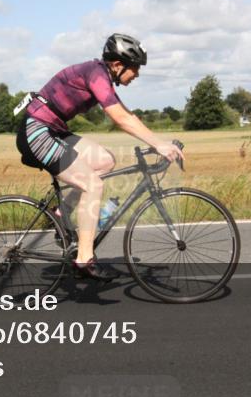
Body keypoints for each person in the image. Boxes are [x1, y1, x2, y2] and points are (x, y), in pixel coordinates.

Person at [15, 33, 185, 282]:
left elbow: (129, 115)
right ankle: (84, 259)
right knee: (93, 184)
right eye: (135, 69)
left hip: (53, 131)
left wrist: (160, 141)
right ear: (118, 65)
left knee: (105, 160)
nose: (136, 75)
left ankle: (61, 214)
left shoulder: (100, 75)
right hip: (37, 133)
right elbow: (120, 119)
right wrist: (158, 145)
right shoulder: (97, 74)